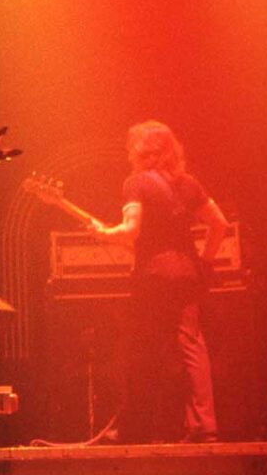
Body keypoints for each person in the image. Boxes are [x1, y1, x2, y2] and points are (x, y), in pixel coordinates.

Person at [93, 120, 229, 443]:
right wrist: (205, 262)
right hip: (188, 277)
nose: (128, 155)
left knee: (140, 351)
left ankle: (135, 428)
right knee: (192, 347)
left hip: (153, 279)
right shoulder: (189, 184)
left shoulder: (136, 183)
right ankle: (204, 426)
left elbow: (131, 230)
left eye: (131, 149)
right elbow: (220, 224)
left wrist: (104, 234)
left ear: (142, 151)